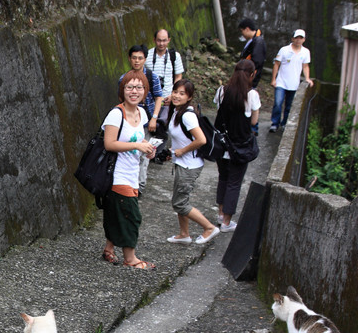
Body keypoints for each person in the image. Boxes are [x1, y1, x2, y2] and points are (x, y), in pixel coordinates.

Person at [101, 70, 157, 270]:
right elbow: (109, 144)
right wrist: (137, 146)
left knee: (117, 213)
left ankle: (109, 249)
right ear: (122, 90)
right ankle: (130, 258)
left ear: (145, 91)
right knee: (131, 215)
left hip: (133, 171)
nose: (134, 91)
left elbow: (135, 138)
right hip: (117, 174)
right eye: (130, 87)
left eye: (139, 87)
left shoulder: (142, 113)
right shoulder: (116, 114)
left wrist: (146, 148)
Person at [164, 79, 220, 245]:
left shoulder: (187, 115)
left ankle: (209, 228)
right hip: (182, 163)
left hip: (189, 166)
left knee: (180, 203)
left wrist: (181, 151)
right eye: (175, 92)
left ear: (189, 97)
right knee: (181, 200)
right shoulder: (177, 111)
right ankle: (184, 234)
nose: (177, 96)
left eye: (182, 94)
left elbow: (201, 139)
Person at [213, 60, 261, 233]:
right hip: (239, 148)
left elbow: (219, 114)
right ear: (252, 74)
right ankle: (226, 222)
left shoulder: (221, 91)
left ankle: (220, 214)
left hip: (222, 146)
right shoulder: (252, 95)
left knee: (223, 179)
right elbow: (254, 121)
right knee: (234, 183)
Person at [119, 45, 163, 194]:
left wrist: (154, 118)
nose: (137, 61)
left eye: (140, 58)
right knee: (131, 151)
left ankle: (140, 186)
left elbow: (158, 97)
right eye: (134, 58)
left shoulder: (152, 77)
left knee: (145, 154)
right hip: (130, 120)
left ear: (145, 59)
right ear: (130, 59)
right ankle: (131, 184)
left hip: (147, 120)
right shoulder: (123, 79)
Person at [269, 29, 314, 133]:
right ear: (292, 38)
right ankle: (274, 123)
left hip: (294, 83)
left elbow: (305, 66)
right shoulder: (284, 50)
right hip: (281, 82)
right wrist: (273, 79)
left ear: (304, 39)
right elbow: (276, 64)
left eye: (301, 38)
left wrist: (307, 78)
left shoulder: (305, 52)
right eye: (297, 37)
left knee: (289, 105)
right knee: (278, 103)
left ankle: (284, 123)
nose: (298, 40)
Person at [238, 18, 266, 135]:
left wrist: (249, 76)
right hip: (247, 77)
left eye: (242, 31)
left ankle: (253, 129)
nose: (242, 34)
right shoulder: (254, 40)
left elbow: (256, 62)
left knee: (250, 103)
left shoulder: (258, 42)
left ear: (247, 29)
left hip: (249, 79)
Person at [146, 29, 184, 100]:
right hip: (150, 98)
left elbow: (178, 76)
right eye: (159, 40)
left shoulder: (175, 56)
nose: (161, 44)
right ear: (154, 40)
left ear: (169, 40)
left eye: (164, 40)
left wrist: (173, 94)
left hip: (168, 97)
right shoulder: (146, 55)